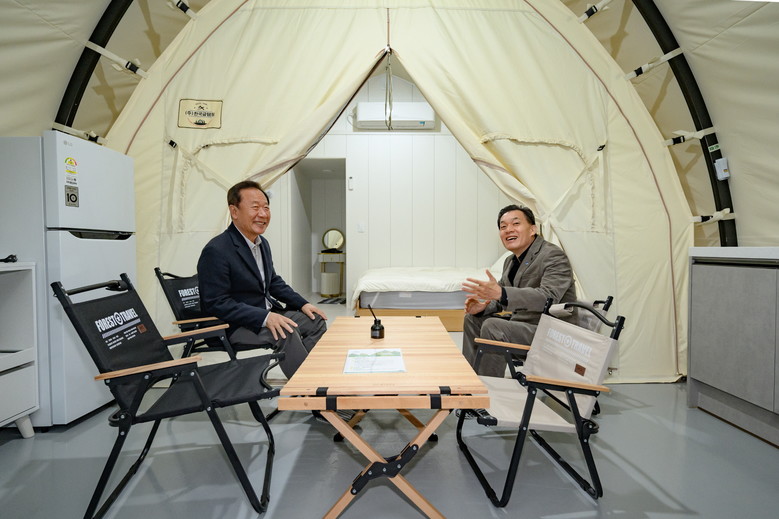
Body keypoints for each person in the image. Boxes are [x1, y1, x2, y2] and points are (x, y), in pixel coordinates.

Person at [197, 180, 327, 378]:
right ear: (234, 211)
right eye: (255, 207)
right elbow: (217, 303)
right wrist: (265, 318)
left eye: (266, 208)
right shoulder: (216, 250)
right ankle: (308, 387)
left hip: (264, 312)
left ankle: (309, 375)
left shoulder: (261, 243)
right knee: (285, 331)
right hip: (233, 325)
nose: (263, 214)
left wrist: (303, 304)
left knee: (315, 320)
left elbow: (273, 281)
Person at [461, 204, 577, 377]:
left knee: (494, 327)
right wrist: (482, 307)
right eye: (503, 227)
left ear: (532, 229)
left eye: (516, 224)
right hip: (523, 326)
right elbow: (502, 298)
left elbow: (549, 297)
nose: (508, 230)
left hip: (550, 332)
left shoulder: (552, 255)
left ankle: (489, 387)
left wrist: (501, 293)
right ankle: (471, 379)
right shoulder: (510, 261)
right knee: (473, 319)